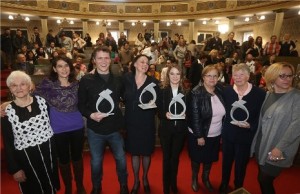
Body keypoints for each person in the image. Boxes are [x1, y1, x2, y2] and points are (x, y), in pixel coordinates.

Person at [78, 46, 129, 194]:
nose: (103, 61)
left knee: (121, 160)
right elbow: (81, 105)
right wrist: (91, 115)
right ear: (94, 60)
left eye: (106, 57)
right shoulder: (86, 80)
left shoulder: (118, 80)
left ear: (111, 59)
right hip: (95, 129)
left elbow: (126, 97)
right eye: (100, 58)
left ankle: (123, 185)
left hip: (115, 129)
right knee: (96, 163)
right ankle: (96, 187)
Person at [1, 70, 60, 194]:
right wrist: (15, 169)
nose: (19, 88)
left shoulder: (42, 103)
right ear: (10, 89)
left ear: (29, 86)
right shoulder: (7, 113)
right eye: (14, 85)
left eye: (22, 84)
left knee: (50, 186)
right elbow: (8, 142)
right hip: (26, 160)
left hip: (48, 154)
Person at [34, 56, 86, 194]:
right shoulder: (47, 85)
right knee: (63, 159)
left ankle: (79, 186)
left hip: (77, 126)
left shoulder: (77, 84)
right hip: (58, 128)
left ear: (71, 67)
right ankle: (68, 187)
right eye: (60, 66)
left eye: (66, 65)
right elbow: (30, 97)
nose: (64, 69)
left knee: (77, 157)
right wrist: (8, 104)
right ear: (54, 69)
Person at [251, 62, 300, 194]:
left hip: (279, 148)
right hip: (262, 144)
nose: (287, 79)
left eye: (290, 76)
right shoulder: (268, 94)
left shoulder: (296, 97)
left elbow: (297, 126)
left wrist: (279, 148)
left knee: (264, 179)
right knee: (262, 175)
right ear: (272, 77)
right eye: (282, 76)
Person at [219, 63, 266, 194]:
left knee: (241, 164)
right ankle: (224, 183)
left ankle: (238, 186)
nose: (238, 78)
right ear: (232, 76)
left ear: (248, 76)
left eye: (241, 74)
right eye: (235, 75)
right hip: (228, 134)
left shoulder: (259, 94)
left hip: (245, 136)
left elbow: (261, 116)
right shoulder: (227, 91)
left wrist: (251, 125)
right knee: (226, 162)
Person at [121, 54, 159, 194]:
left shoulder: (153, 82)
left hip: (147, 122)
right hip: (131, 122)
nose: (145, 64)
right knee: (135, 153)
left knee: (147, 152)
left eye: (147, 63)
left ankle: (145, 178)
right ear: (134, 64)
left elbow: (159, 102)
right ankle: (136, 180)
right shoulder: (126, 79)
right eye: (142, 62)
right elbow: (117, 92)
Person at [187, 65, 225, 193]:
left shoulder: (220, 90)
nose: (212, 78)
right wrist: (199, 136)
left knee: (209, 159)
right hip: (200, 134)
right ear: (203, 77)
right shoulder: (195, 93)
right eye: (209, 75)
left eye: (215, 76)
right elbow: (194, 117)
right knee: (197, 159)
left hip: (216, 133)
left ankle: (205, 178)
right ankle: (194, 178)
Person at [158, 64, 187, 194]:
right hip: (166, 130)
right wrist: (164, 114)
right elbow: (158, 110)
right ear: (168, 75)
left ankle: (173, 184)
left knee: (175, 158)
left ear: (181, 76)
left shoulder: (185, 92)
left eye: (177, 74)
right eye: (172, 74)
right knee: (166, 158)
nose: (175, 76)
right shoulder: (162, 91)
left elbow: (190, 110)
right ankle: (166, 187)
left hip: (180, 131)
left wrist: (187, 115)